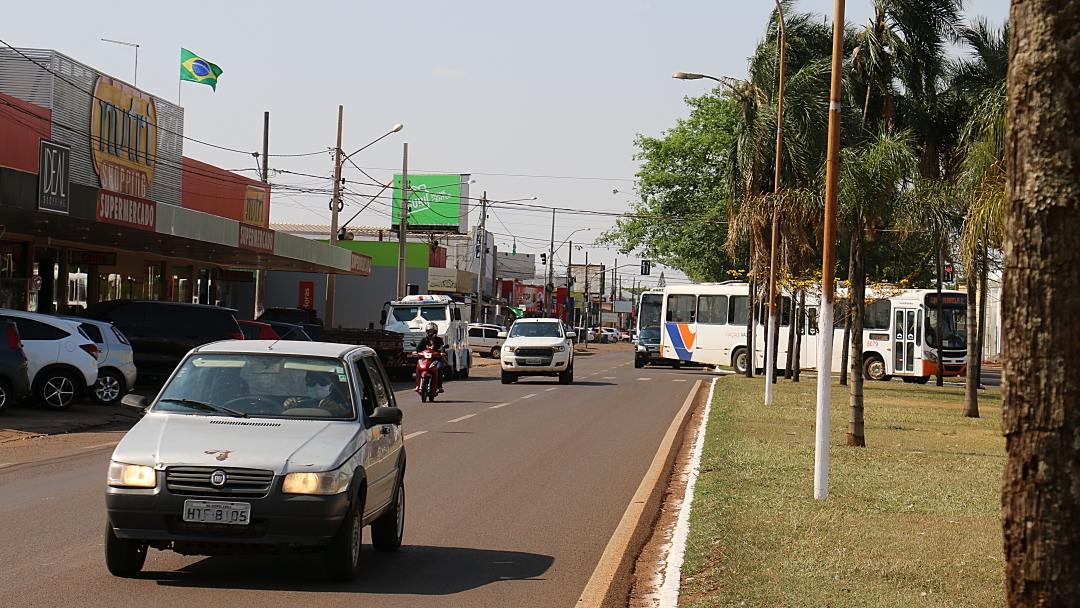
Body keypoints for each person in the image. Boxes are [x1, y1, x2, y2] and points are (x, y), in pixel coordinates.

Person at [414, 322, 445, 393]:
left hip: (436, 359)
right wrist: (415, 351)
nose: (430, 333)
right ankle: (417, 385)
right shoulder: (424, 340)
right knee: (418, 366)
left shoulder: (438, 340)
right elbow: (418, 348)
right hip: (425, 359)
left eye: (432, 331)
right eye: (429, 331)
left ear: (435, 332)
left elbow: (441, 347)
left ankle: (439, 386)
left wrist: (442, 353)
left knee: (439, 367)